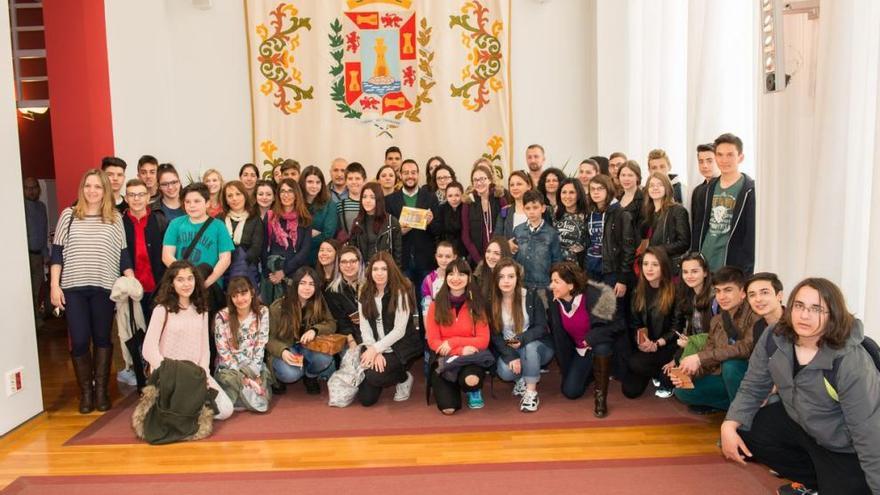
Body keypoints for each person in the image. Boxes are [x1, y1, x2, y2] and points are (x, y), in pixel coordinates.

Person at [721, 278, 880, 495]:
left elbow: (868, 432)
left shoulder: (849, 361)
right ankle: (814, 482)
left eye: (817, 309)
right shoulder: (775, 336)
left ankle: (835, 481)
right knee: (746, 427)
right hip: (804, 424)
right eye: (799, 306)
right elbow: (753, 385)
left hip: (845, 446)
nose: (804, 316)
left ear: (833, 315)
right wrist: (729, 424)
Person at [50, 169, 134, 414]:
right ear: (82, 188)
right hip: (73, 289)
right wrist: (55, 285)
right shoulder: (69, 215)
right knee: (78, 340)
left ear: (105, 190)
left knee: (101, 339)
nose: (92, 191)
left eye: (98, 187)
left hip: (104, 288)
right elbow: (56, 253)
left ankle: (101, 392)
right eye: (88, 186)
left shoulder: (115, 218)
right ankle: (86, 392)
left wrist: (130, 280)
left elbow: (123, 255)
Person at [142, 260, 233, 420]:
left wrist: (203, 373)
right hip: (168, 374)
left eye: (190, 278)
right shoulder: (162, 310)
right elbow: (148, 350)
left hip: (195, 374)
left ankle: (189, 408)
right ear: (171, 283)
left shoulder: (202, 310)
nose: (186, 284)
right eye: (180, 279)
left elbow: (205, 349)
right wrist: (170, 373)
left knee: (226, 410)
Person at [673, 266, 759, 412]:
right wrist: (690, 373)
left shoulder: (755, 315)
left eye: (728, 290)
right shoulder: (717, 320)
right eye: (718, 291)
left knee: (731, 366)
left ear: (743, 293)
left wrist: (699, 357)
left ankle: (740, 415)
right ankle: (734, 405)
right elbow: (709, 354)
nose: (721, 296)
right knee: (682, 391)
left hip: (747, 375)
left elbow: (745, 348)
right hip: (723, 376)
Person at [548, 261, 619, 417]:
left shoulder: (593, 295)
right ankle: (595, 373)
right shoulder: (555, 301)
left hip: (599, 344)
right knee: (570, 391)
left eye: (556, 282)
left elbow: (612, 326)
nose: (551, 286)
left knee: (602, 348)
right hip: (580, 351)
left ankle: (600, 400)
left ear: (571, 285)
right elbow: (560, 340)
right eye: (551, 281)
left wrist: (590, 338)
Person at [425, 258, 491, 413]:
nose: (456, 279)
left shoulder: (477, 304)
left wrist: (453, 342)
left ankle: (472, 389)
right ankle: (451, 386)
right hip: (445, 359)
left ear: (469, 278)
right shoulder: (435, 305)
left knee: (471, 380)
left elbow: (484, 340)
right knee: (448, 408)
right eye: (451, 274)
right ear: (446, 277)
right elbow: (434, 342)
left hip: (470, 358)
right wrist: (459, 350)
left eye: (461, 274)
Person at [356, 251, 421, 406]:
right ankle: (382, 374)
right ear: (370, 272)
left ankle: (404, 378)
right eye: (375, 269)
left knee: (375, 376)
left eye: (384, 269)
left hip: (400, 347)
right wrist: (372, 349)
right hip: (375, 346)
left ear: (391, 270)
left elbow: (399, 330)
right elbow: (364, 327)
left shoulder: (401, 291)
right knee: (366, 399)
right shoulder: (365, 292)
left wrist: (375, 349)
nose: (379, 273)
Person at [490, 258, 553, 412]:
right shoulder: (491, 302)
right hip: (511, 347)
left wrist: (521, 339)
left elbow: (541, 327)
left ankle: (531, 392)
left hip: (537, 347)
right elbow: (495, 336)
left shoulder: (530, 296)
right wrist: (511, 354)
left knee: (530, 347)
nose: (506, 281)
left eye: (511, 276)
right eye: (501, 276)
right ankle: (521, 379)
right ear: (496, 279)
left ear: (518, 278)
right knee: (504, 372)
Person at [621, 247, 682, 399]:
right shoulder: (637, 290)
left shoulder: (675, 291)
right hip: (647, 347)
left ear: (663, 266)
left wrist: (658, 343)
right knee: (629, 391)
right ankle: (656, 372)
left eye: (655, 264)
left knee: (664, 378)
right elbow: (634, 323)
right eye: (646, 264)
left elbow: (677, 327)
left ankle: (663, 373)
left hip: (668, 346)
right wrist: (642, 341)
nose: (649, 268)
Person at [267, 267, 337, 395]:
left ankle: (310, 376)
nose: (307, 288)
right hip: (286, 347)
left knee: (325, 359)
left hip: (307, 347)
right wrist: (282, 351)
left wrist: (315, 330)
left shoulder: (318, 302)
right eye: (302, 283)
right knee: (291, 374)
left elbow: (331, 323)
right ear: (295, 285)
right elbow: (268, 339)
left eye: (311, 284)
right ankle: (278, 376)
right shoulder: (279, 306)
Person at [693, 133, 755, 274]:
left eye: (730, 155)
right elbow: (699, 227)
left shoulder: (750, 190)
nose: (724, 160)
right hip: (705, 263)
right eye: (720, 155)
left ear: (740, 157)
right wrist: (695, 258)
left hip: (731, 265)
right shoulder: (707, 190)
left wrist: (745, 269)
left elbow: (750, 234)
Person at [213, 276, 271, 412]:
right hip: (230, 369)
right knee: (234, 384)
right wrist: (242, 376)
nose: (240, 299)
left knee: (263, 395)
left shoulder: (262, 312)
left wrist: (253, 373)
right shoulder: (222, 317)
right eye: (235, 295)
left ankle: (243, 396)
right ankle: (240, 395)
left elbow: (261, 344)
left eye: (244, 293)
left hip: (252, 366)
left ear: (252, 292)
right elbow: (223, 352)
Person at [161, 182, 233, 290]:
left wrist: (205, 283)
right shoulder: (175, 224)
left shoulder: (219, 226)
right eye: (187, 202)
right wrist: (185, 280)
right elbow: (166, 256)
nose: (192, 205)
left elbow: (225, 259)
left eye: (197, 201)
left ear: (207, 203)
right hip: (181, 286)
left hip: (209, 285)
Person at [386, 159, 438, 294]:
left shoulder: (431, 198)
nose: (410, 176)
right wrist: (399, 231)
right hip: (402, 259)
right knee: (405, 300)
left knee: (427, 300)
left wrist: (431, 222)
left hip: (426, 259)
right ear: (400, 175)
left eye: (413, 172)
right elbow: (387, 232)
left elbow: (438, 231)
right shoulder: (390, 200)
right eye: (406, 173)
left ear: (418, 175)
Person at [122, 179, 168, 319]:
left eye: (141, 194)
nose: (136, 199)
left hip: (157, 289)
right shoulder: (119, 224)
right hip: (130, 290)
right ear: (126, 198)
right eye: (132, 195)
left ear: (148, 197)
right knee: (134, 335)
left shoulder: (160, 221)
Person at [261, 179, 312, 304]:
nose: (286, 194)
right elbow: (263, 247)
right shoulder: (270, 216)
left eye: (290, 191)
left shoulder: (305, 218)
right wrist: (271, 273)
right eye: (282, 191)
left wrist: (284, 272)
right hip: (273, 273)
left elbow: (305, 250)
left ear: (296, 194)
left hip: (295, 273)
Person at [585, 175, 635, 293]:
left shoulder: (621, 214)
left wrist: (622, 279)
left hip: (611, 272)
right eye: (593, 189)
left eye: (600, 188)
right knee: (594, 309)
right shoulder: (589, 213)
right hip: (591, 269)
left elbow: (628, 249)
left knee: (613, 309)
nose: (596, 192)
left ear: (608, 190)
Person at [512, 190, 561, 305]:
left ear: (543, 208)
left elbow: (557, 261)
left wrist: (554, 283)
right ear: (523, 209)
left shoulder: (551, 233)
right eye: (528, 208)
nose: (532, 212)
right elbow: (513, 258)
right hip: (521, 284)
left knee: (543, 316)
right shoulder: (518, 230)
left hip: (543, 285)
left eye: (535, 207)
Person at [642, 172, 690, 275]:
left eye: (660, 185)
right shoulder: (648, 214)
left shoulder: (678, 210)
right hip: (652, 268)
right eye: (651, 185)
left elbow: (684, 243)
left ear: (667, 188)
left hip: (670, 268)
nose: (655, 188)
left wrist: (657, 250)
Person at [220, 180, 263, 287]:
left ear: (244, 196)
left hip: (247, 266)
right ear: (226, 200)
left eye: (238, 194)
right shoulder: (219, 219)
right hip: (223, 267)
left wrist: (239, 264)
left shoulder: (254, 218)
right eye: (230, 196)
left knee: (240, 254)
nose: (234, 198)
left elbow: (256, 248)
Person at [461, 164, 507, 265]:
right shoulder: (468, 203)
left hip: (499, 258)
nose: (479, 183)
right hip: (477, 259)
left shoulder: (500, 200)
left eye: (482, 179)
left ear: (490, 180)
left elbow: (506, 227)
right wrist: (479, 260)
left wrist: (499, 255)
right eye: (475, 180)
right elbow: (465, 235)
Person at [348, 183, 402, 266]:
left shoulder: (392, 222)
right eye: (364, 197)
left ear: (379, 199)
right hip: (363, 271)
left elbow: (398, 253)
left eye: (372, 197)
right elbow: (352, 250)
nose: (367, 200)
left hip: (385, 270)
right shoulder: (357, 222)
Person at [324, 245, 364, 348]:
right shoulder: (332, 291)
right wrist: (351, 342)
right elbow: (341, 321)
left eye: (353, 261)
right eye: (344, 262)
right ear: (339, 265)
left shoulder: (370, 284)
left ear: (359, 262)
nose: (348, 265)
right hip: (350, 337)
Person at [300, 165, 339, 265]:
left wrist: (303, 237)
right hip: (297, 259)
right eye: (310, 182)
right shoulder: (296, 204)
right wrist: (310, 233)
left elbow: (327, 235)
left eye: (318, 182)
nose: (314, 186)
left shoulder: (330, 205)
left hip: (320, 259)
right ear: (302, 183)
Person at [24, 177, 48, 326]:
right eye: (27, 187)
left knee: (37, 290)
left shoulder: (41, 207)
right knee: (29, 291)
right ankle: (32, 323)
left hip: (39, 256)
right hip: (26, 256)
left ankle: (36, 320)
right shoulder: (20, 207)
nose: (31, 191)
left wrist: (46, 254)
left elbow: (44, 230)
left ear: (38, 189)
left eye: (33, 187)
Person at [553, 178, 588, 265]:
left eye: (572, 192)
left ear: (579, 194)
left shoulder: (587, 215)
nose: (567, 196)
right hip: (556, 266)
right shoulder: (553, 213)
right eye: (564, 192)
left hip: (578, 268)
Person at [494, 170, 534, 244]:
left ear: (529, 186)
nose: (515, 188)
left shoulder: (541, 210)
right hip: (510, 255)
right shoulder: (504, 211)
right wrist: (507, 245)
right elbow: (496, 240)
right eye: (512, 185)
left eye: (519, 184)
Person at [745, 272, 784, 347]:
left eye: (765, 292)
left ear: (779, 296)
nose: (758, 299)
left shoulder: (795, 323)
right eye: (752, 295)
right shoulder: (758, 326)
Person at [689, 143, 716, 245]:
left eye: (709, 161)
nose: (704, 166)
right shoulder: (697, 191)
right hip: (699, 250)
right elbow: (696, 225)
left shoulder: (724, 189)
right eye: (701, 162)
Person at [420, 241, 457, 314]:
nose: (444, 260)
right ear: (436, 256)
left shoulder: (462, 278)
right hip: (436, 322)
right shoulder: (429, 280)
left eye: (448, 256)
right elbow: (426, 310)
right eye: (440, 256)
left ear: (455, 257)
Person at [430, 181, 465, 257]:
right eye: (450, 196)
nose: (454, 199)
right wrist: (431, 221)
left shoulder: (466, 208)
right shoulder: (441, 209)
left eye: (457, 195)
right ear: (446, 196)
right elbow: (436, 231)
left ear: (462, 195)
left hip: (463, 250)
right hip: (446, 250)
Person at [472, 235, 513, 301]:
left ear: (504, 255)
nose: (490, 257)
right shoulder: (479, 272)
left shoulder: (514, 275)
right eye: (488, 251)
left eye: (496, 253)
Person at [336, 162, 366, 240]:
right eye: (350, 179)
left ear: (364, 181)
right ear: (345, 182)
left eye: (357, 178)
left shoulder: (370, 204)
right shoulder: (340, 205)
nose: (354, 182)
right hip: (348, 246)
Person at [617, 160, 644, 234]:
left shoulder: (644, 199)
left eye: (630, 175)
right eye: (623, 175)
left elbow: (645, 230)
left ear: (637, 177)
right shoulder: (616, 198)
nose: (626, 179)